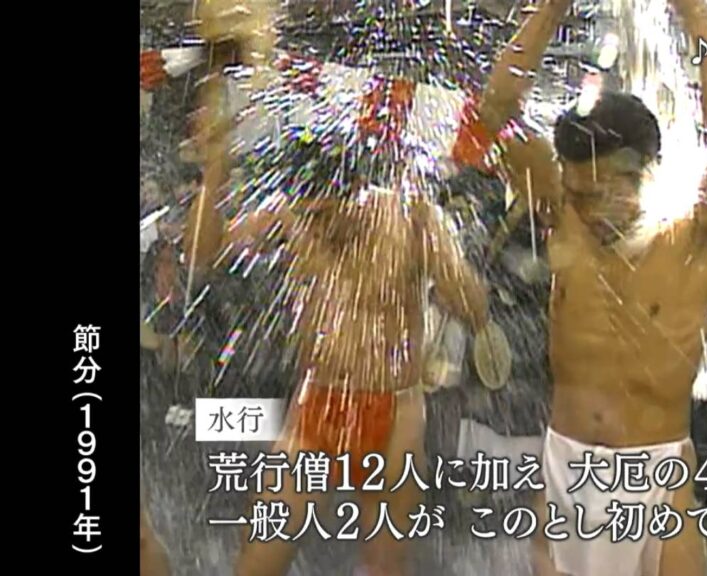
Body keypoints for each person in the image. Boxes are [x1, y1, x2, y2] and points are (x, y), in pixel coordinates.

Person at [183, 19, 489, 576]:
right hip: (318, 404)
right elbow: (202, 256)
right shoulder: (292, 212)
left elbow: (474, 310)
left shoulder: (410, 216)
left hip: (393, 410)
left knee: (384, 567)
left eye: (328, 206)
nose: (317, 218)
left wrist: (445, 264)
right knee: (257, 561)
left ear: (356, 184)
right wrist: (215, 169)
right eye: (310, 204)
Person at [472, 0, 707, 573]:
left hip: (657, 475)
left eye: (603, 193)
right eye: (578, 192)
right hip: (568, 468)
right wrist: (550, 10)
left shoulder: (698, 239)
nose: (588, 208)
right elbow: (495, 112)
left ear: (648, 173)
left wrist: (696, 14)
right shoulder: (563, 216)